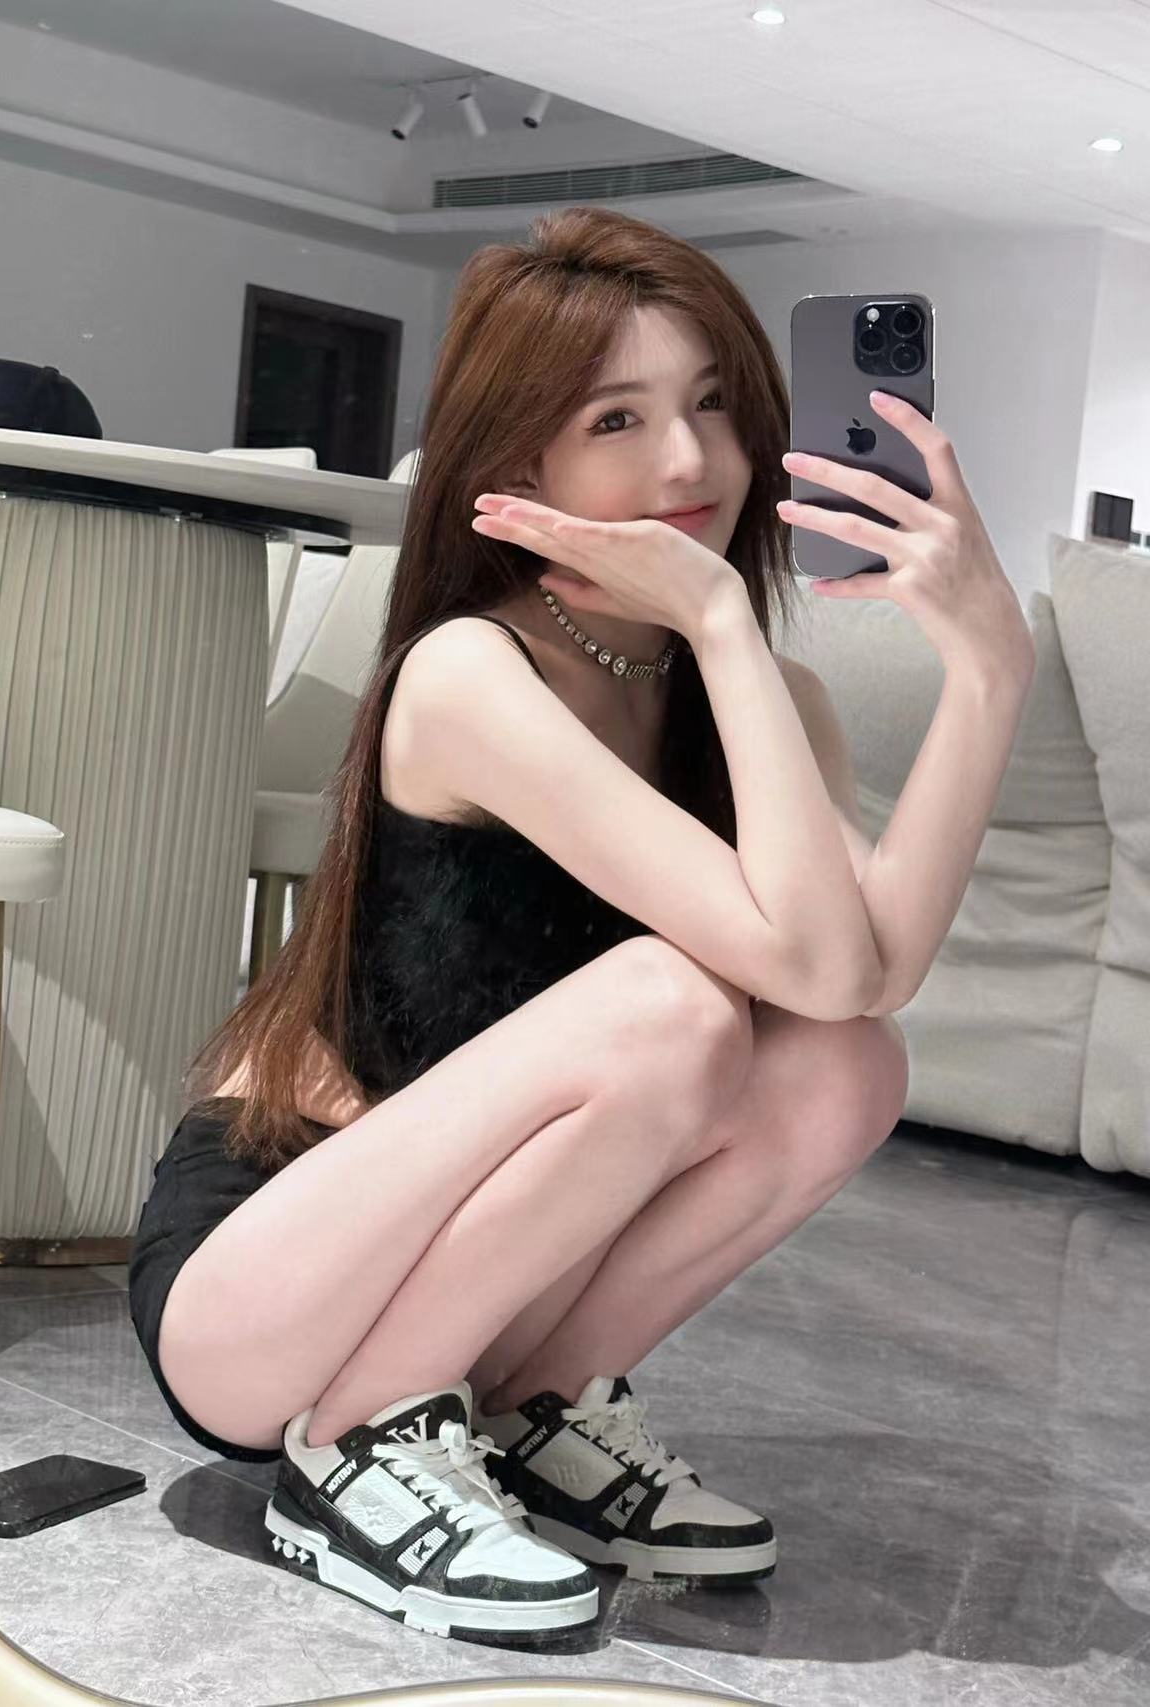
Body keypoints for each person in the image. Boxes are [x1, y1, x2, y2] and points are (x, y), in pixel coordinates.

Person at [128, 205, 1033, 1645]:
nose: (691, 462)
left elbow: (867, 981)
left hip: (474, 1293)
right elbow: (804, 960)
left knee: (846, 1067)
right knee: (674, 1005)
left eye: (715, 404)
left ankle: (529, 1414)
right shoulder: (472, 673)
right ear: (519, 468)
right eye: (619, 418)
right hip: (271, 1283)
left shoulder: (758, 701)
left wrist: (990, 674)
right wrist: (723, 621)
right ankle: (357, 1445)